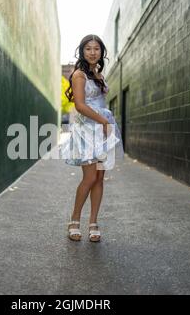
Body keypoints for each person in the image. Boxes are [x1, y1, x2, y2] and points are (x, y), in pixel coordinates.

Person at [60, 35, 124, 242]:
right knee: (89, 177)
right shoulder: (79, 75)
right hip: (87, 130)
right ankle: (74, 220)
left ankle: (93, 222)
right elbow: (79, 105)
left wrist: (106, 124)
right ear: (82, 51)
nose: (93, 52)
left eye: (97, 49)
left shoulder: (98, 74)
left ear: (101, 52)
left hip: (102, 130)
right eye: (88, 48)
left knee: (99, 178)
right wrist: (104, 122)